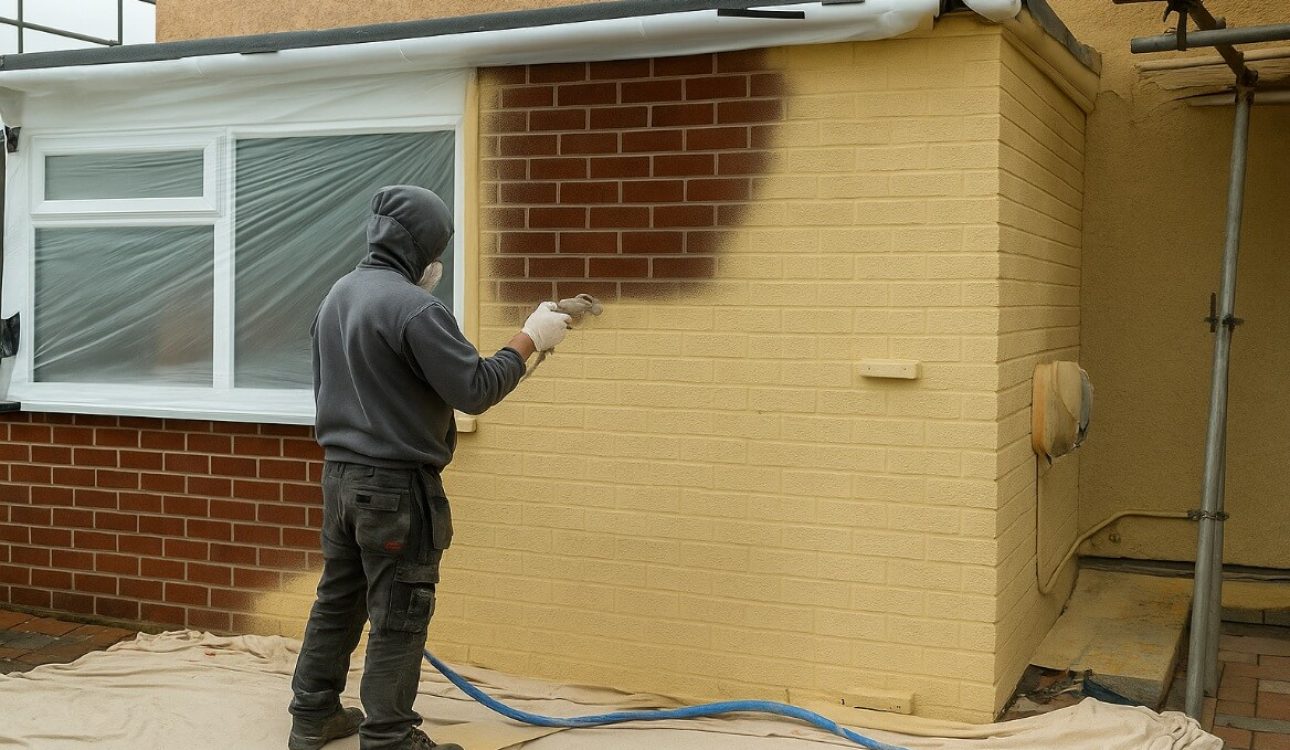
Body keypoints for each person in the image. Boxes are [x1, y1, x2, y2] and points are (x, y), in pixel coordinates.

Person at [288, 185, 572, 750]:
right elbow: (474, 389)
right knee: (400, 612)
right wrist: (531, 336)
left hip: (340, 480)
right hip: (394, 489)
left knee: (338, 601)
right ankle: (390, 738)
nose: (438, 262)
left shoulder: (338, 295)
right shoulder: (414, 307)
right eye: (437, 248)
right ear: (419, 248)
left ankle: (313, 714)